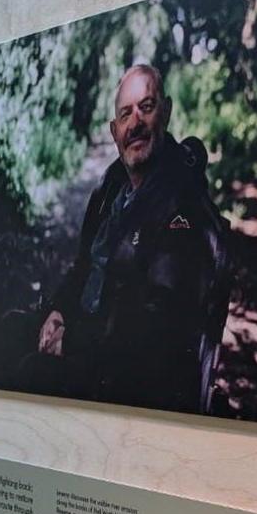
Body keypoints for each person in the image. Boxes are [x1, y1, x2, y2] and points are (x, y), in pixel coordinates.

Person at [28, 64, 231, 414]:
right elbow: (83, 265)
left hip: (124, 384)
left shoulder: (183, 207)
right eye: (125, 114)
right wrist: (57, 310)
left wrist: (71, 343)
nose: (135, 123)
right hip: (84, 350)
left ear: (165, 112)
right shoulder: (111, 190)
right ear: (114, 130)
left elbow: (155, 329)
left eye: (146, 108)